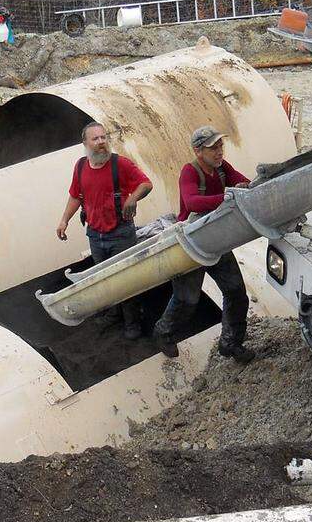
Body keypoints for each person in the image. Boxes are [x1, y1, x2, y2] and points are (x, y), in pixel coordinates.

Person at [152, 125, 255, 363]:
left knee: (236, 292)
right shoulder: (190, 172)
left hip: (216, 239)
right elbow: (193, 202)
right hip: (190, 244)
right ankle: (163, 332)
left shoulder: (222, 169)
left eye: (221, 146)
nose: (219, 152)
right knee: (188, 299)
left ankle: (231, 342)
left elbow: (244, 183)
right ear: (198, 151)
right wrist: (227, 196)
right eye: (213, 148)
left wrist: (243, 187)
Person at [57, 122, 153, 340]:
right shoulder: (81, 166)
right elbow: (75, 195)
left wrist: (133, 198)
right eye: (95, 139)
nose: (101, 142)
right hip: (95, 233)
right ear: (85, 143)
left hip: (120, 233)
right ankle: (113, 313)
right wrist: (64, 220)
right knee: (104, 279)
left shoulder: (121, 165)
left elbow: (146, 184)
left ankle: (132, 322)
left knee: (125, 279)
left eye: (103, 137)